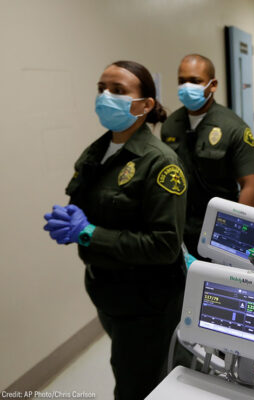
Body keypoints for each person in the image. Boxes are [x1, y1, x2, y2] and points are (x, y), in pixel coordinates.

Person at [43, 61, 187, 400]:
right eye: (102, 89)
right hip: (108, 292)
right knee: (133, 369)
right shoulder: (98, 149)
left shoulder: (161, 163)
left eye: (118, 91)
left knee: (135, 386)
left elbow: (165, 245)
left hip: (146, 302)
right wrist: (72, 221)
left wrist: (90, 233)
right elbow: (91, 205)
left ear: (146, 104)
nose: (106, 97)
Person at [161, 54, 254, 259]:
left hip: (219, 226)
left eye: (195, 81)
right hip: (180, 226)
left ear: (212, 85)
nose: (187, 87)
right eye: (182, 81)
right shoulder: (171, 124)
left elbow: (249, 183)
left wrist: (236, 236)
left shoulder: (234, 127)